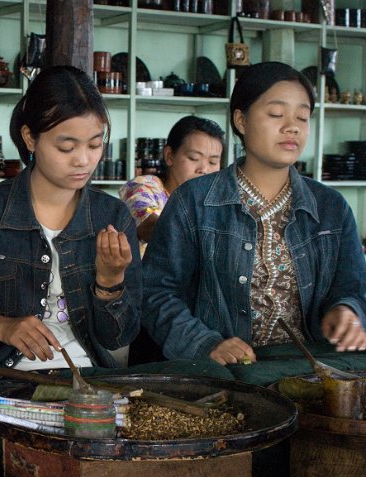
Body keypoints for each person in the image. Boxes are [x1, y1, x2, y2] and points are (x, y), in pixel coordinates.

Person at [0, 65, 141, 477]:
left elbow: (118, 336)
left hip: (91, 385)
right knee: (8, 456)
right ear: (29, 138)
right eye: (66, 145)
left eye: (95, 144)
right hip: (0, 385)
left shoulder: (112, 217)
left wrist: (111, 283)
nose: (84, 159)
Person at [142, 62, 366, 374]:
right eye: (276, 114)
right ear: (241, 120)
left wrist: (347, 311)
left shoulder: (331, 207)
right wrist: (206, 344)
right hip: (227, 374)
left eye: (302, 117)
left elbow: (353, 286)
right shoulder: (194, 201)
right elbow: (157, 293)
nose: (292, 127)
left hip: (313, 370)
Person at [118, 115, 224, 255]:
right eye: (194, 158)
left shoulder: (217, 201)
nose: (204, 170)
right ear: (169, 156)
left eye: (212, 162)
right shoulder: (144, 187)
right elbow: (150, 227)